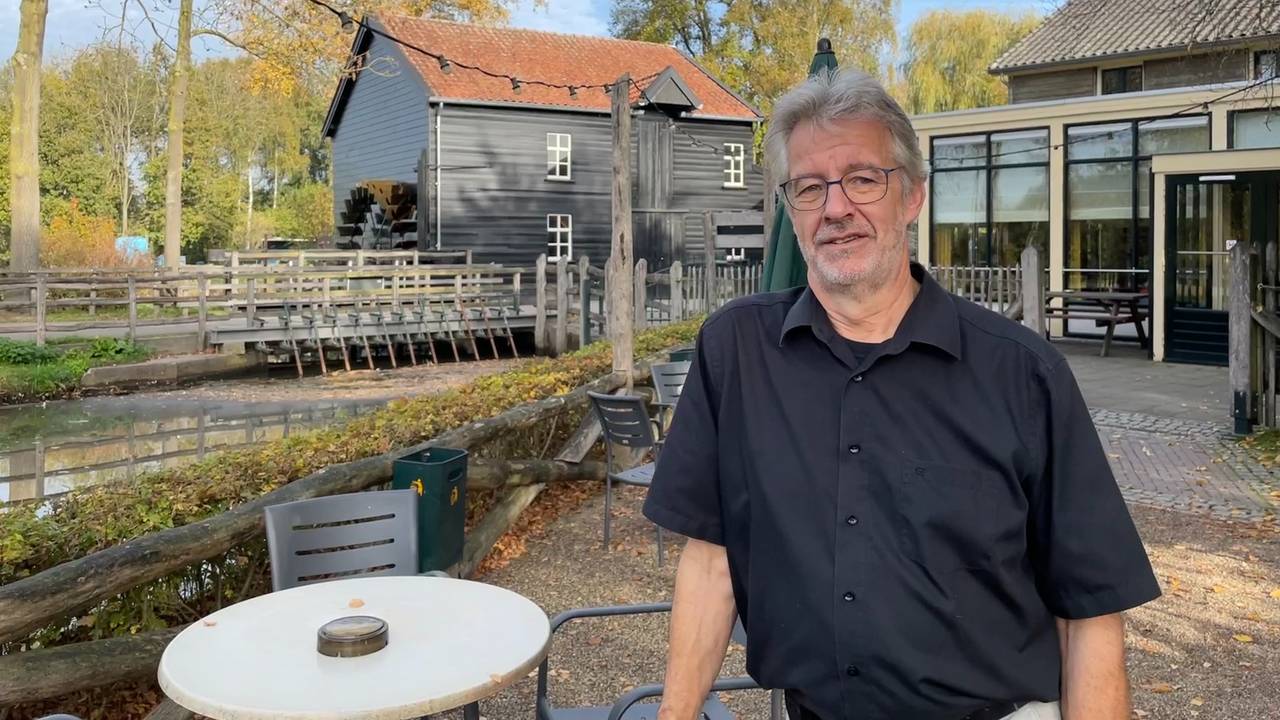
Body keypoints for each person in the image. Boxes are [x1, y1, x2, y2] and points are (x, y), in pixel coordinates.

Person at [642, 67, 1161, 720]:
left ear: (913, 194)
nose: (836, 208)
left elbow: (1089, 612)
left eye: (863, 178)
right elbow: (712, 562)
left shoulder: (1023, 374)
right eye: (809, 187)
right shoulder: (736, 353)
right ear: (791, 209)